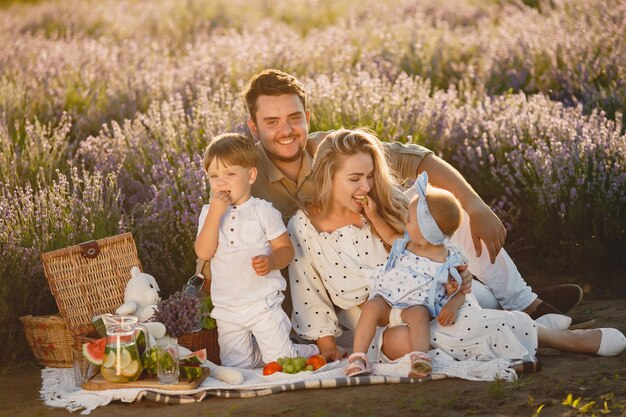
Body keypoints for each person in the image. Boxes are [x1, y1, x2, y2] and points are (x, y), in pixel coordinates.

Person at [235, 68, 587, 325]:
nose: (286, 130)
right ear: (253, 126)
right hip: (338, 293)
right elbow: (225, 245)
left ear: (307, 117)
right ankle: (515, 308)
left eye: (294, 117)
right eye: (272, 122)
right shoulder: (244, 176)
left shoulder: (332, 149)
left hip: (395, 266)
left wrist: (475, 204)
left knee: (442, 208)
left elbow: (417, 159)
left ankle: (526, 305)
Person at [287, 128, 625, 371]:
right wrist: (327, 345)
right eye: (355, 179)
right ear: (328, 176)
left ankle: (545, 327)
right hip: (377, 320)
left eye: (371, 176)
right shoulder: (304, 227)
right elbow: (307, 292)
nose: (366, 187)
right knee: (408, 340)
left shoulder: (385, 205)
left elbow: (437, 245)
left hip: (438, 297)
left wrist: (454, 282)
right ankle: (535, 328)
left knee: (454, 307)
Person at [194, 133, 318, 368]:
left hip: (263, 304)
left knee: (281, 362)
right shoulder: (208, 214)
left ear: (250, 175)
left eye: (230, 174)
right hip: (227, 307)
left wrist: (271, 262)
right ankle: (271, 351)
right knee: (238, 365)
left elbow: (286, 250)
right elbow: (204, 252)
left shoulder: (263, 211)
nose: (221, 182)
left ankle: (305, 350)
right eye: (214, 176)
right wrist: (214, 214)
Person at [347, 172, 468, 377]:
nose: (406, 222)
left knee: (419, 315)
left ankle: (420, 358)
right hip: (389, 299)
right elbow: (388, 235)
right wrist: (373, 215)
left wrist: (451, 305)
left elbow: (459, 291)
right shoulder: (407, 244)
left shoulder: (447, 261)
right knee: (370, 306)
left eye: (410, 220)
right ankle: (359, 356)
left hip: (416, 305)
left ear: (426, 231)